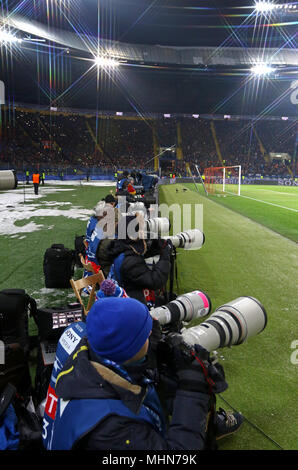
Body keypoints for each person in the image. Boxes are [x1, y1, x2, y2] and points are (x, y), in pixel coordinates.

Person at [43, 297, 243, 450]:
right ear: (131, 350)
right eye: (145, 334)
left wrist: (154, 346)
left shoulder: (86, 343)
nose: (150, 334)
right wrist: (192, 389)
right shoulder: (115, 429)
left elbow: (118, 340)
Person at [108, 214, 172, 306]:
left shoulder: (120, 248)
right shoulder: (130, 262)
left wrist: (157, 247)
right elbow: (155, 281)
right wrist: (165, 256)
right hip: (131, 305)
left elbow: (138, 255)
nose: (143, 234)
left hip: (123, 296)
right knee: (169, 301)